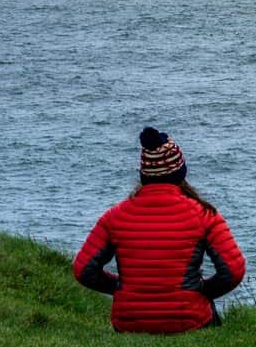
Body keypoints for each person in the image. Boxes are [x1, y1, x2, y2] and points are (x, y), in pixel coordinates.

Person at [73, 127, 245, 333]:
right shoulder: (204, 214)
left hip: (129, 323)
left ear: (144, 174)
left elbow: (83, 270)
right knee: (207, 312)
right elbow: (233, 271)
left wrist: (120, 287)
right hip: (188, 320)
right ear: (180, 173)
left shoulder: (115, 217)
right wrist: (203, 291)